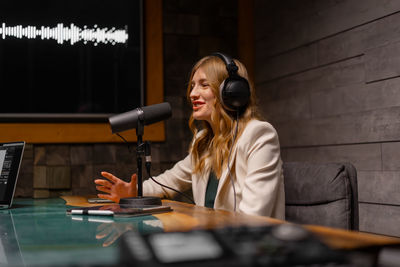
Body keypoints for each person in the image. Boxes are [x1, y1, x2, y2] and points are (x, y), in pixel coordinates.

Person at [94, 53, 285, 219]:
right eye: (192, 86)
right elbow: (169, 181)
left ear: (231, 92)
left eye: (204, 85)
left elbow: (253, 217)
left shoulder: (259, 135)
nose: (193, 93)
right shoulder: (203, 141)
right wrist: (134, 192)